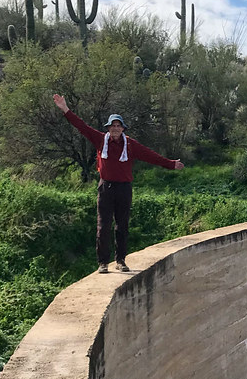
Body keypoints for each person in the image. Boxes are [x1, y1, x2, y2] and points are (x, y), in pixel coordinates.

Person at [53, 94, 184, 273]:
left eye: (118, 126)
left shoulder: (130, 145)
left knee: (122, 225)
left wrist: (171, 164)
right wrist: (65, 109)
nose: (115, 129)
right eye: (112, 126)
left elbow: (150, 156)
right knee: (103, 225)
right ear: (108, 128)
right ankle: (102, 263)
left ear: (123, 128)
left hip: (124, 188)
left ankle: (120, 260)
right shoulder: (100, 140)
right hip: (106, 187)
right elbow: (81, 127)